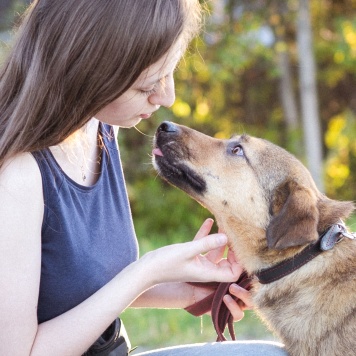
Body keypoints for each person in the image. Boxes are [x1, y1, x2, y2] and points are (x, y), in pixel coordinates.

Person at [0, 1, 287, 355]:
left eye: (170, 73)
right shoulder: (17, 177)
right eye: (147, 85)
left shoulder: (99, 129)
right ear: (86, 72)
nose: (168, 97)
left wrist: (186, 288)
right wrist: (146, 271)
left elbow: (78, 286)